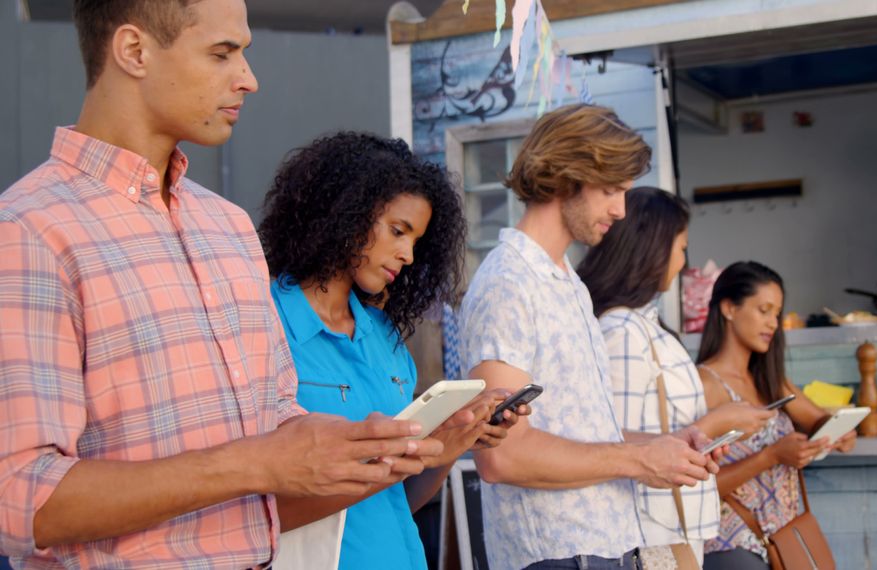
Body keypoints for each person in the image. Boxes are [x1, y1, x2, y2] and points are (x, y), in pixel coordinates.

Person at [0, 2, 439, 567]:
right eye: (222, 53)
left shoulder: (228, 228)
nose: (249, 79)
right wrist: (255, 461)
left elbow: (278, 435)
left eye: (245, 53)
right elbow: (20, 501)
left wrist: (359, 450)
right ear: (134, 51)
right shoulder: (29, 230)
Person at [460, 103, 720, 570]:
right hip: (556, 555)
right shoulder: (508, 283)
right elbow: (504, 457)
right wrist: (639, 462)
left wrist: (663, 444)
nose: (620, 210)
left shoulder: (566, 280)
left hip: (602, 545)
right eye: (610, 190)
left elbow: (582, 433)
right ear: (565, 178)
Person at [258, 131, 528, 569]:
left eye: (416, 242)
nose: (406, 254)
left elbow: (401, 500)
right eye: (397, 231)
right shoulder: (262, 326)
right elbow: (258, 512)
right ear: (343, 213)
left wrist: (448, 445)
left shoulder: (385, 339)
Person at [577, 187, 775, 563]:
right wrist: (716, 423)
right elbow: (610, 440)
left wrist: (701, 440)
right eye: (681, 247)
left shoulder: (644, 325)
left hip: (674, 524)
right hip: (654, 530)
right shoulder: (621, 330)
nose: (683, 262)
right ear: (652, 248)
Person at [694, 262, 856, 569]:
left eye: (777, 314)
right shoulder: (704, 383)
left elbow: (818, 420)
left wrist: (838, 433)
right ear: (729, 308)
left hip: (782, 543)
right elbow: (696, 485)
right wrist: (772, 456)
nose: (773, 323)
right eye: (764, 310)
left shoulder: (770, 380)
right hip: (732, 546)